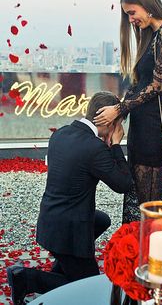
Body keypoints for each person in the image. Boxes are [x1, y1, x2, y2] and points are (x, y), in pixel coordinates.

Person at [7, 91, 133, 305]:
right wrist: (116, 145)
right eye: (119, 123)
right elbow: (124, 184)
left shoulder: (61, 133)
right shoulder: (95, 148)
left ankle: (64, 264)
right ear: (110, 122)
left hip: (49, 222)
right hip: (69, 232)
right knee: (89, 288)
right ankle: (26, 279)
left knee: (102, 220)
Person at [93, 0, 162, 223]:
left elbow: (156, 86)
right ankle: (133, 249)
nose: (130, 19)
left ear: (147, 3)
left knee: (148, 201)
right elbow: (139, 84)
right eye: (126, 14)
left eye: (132, 12)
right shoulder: (150, 35)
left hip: (152, 126)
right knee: (137, 194)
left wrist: (119, 109)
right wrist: (119, 113)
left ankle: (149, 251)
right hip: (140, 125)